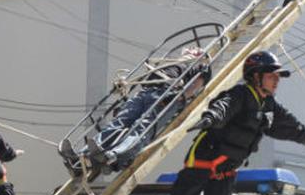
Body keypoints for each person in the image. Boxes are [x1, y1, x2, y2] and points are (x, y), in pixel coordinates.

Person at [150, 50, 305, 195]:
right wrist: (211, 117)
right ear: (255, 76)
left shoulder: (268, 105)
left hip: (226, 169)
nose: (276, 80)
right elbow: (223, 107)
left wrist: (303, 134)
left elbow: (285, 123)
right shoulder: (240, 94)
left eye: (278, 77)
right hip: (203, 159)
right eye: (271, 75)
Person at [60, 47, 213, 175]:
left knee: (142, 127)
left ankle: (116, 155)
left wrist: (179, 97)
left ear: (200, 55)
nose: (190, 49)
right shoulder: (169, 62)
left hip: (167, 95)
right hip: (146, 91)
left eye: (195, 49)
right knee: (119, 122)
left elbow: (195, 87)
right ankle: (82, 157)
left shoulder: (200, 67)